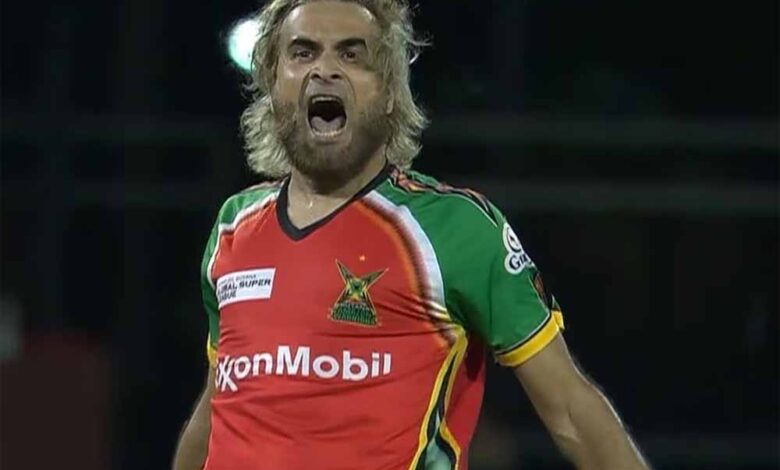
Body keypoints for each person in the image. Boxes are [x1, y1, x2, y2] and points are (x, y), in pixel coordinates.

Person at [173, 1, 651, 469]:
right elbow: (221, 404)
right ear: (273, 83)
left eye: (351, 54)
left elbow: (570, 409)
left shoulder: (456, 229)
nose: (325, 70)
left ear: (388, 93)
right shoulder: (234, 225)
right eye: (303, 52)